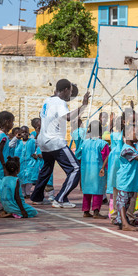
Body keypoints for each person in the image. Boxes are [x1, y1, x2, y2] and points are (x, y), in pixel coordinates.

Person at [31, 79, 90, 208]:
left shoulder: (47, 100)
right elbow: (68, 117)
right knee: (75, 169)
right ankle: (60, 199)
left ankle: (37, 196)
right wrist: (83, 106)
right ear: (65, 90)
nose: (70, 95)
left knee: (47, 168)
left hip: (43, 140)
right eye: (70, 91)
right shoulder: (60, 102)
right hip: (55, 141)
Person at [80, 120, 110, 218]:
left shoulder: (84, 143)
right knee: (98, 189)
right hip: (98, 169)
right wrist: (107, 170)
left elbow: (79, 156)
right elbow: (106, 158)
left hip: (86, 170)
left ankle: (86, 210)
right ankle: (96, 211)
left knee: (87, 190)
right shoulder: (102, 143)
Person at [103, 116, 124, 219]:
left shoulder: (112, 135)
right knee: (118, 186)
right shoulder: (122, 137)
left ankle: (111, 212)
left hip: (112, 158)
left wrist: (111, 122)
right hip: (118, 159)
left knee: (113, 187)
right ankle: (117, 212)